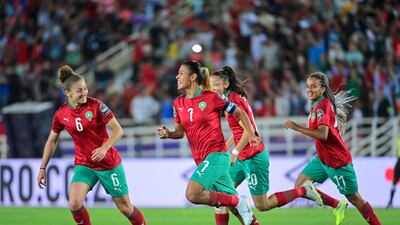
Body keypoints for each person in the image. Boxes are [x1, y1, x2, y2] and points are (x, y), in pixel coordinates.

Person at [210, 66, 323, 225]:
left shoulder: (233, 100)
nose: (213, 89)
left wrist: (234, 152)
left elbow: (247, 132)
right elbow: (238, 132)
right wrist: (226, 148)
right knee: (220, 194)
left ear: (226, 84)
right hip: (243, 155)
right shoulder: (230, 99)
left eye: (216, 85)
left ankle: (303, 191)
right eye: (211, 85)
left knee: (262, 205)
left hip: (253, 157)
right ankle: (247, 214)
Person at [36, 65, 146, 225]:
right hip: (84, 164)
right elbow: (52, 141)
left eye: (85, 89)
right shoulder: (61, 114)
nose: (84, 93)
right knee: (74, 203)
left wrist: (104, 148)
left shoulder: (97, 106)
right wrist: (42, 168)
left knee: (126, 208)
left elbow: (118, 130)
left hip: (108, 163)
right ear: (67, 93)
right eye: (79, 90)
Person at [157, 60, 259, 225]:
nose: (177, 76)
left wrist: (251, 134)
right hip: (201, 160)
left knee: (192, 194)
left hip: (217, 156)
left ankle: (238, 201)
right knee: (239, 212)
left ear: (193, 77)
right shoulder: (178, 103)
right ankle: (239, 204)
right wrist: (169, 134)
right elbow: (180, 133)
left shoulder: (211, 97)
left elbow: (240, 112)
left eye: (181, 73)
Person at [284, 71, 382, 225]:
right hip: (323, 158)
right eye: (308, 86)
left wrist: (296, 127)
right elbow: (339, 118)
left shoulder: (322, 106)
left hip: (337, 161)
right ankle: (338, 205)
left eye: (314, 86)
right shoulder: (319, 104)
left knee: (355, 198)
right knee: (300, 185)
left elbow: (323, 134)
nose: (309, 89)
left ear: (323, 89)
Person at [386, 136, 400, 208]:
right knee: (394, 182)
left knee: (394, 182)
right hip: (399, 161)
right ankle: (390, 201)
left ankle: (390, 202)